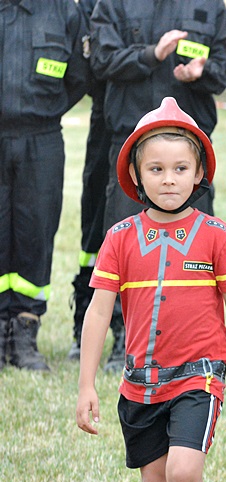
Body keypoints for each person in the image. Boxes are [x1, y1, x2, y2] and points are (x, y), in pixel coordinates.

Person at [76, 97, 226, 482]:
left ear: (198, 174)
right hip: (138, 383)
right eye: (156, 169)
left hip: (199, 378)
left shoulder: (215, 235)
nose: (169, 180)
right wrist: (87, 384)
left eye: (180, 169)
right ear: (137, 174)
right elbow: (99, 313)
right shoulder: (119, 237)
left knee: (183, 473)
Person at [88, 0, 226, 370]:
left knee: (199, 253)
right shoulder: (114, 4)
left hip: (190, 152)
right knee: (129, 250)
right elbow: (102, 61)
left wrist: (201, 72)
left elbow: (224, 70)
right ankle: (125, 336)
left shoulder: (208, 7)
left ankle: (195, 342)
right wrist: (152, 54)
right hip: (132, 145)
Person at [0, 0, 89, 371]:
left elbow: (80, 78)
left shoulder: (65, 11)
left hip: (42, 139)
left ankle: (25, 332)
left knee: (36, 232)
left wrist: (42, 110)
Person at [67, 0, 125, 366]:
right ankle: (84, 322)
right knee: (95, 226)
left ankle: (127, 328)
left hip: (142, 110)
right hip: (105, 117)